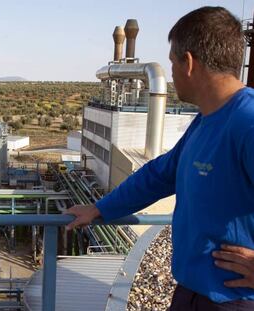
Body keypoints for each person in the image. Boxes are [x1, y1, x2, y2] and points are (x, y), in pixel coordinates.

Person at [66, 6, 254, 310]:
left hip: (234, 301)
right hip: (191, 292)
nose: (172, 75)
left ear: (189, 63)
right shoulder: (206, 121)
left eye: (173, 64)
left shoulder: (247, 123)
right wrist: (100, 209)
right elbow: (159, 175)